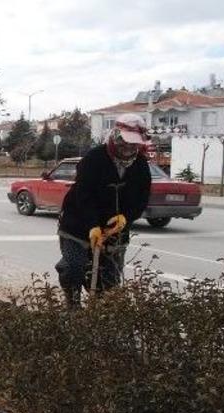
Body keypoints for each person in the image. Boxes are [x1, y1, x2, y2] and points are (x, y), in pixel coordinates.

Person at [55, 113, 152, 308]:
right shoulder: (94, 158)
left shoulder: (140, 165)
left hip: (114, 231)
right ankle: (72, 306)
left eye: (134, 144)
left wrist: (126, 217)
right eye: (124, 142)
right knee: (73, 268)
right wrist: (92, 226)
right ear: (115, 136)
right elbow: (83, 194)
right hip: (78, 225)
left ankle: (100, 319)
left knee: (108, 281)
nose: (128, 148)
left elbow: (142, 198)